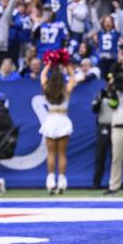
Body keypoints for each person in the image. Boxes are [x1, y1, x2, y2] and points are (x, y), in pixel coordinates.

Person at [39, 50, 76, 194]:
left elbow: (42, 75)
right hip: (62, 120)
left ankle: (50, 180)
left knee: (51, 153)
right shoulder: (66, 89)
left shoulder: (47, 88)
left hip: (51, 119)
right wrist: (66, 64)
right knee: (62, 154)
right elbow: (72, 76)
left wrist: (49, 63)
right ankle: (61, 180)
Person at [90, 74, 116, 189]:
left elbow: (117, 106)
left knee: (115, 157)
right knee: (100, 156)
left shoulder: (117, 95)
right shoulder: (100, 94)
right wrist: (101, 99)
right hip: (103, 126)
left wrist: (112, 96)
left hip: (116, 127)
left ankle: (114, 183)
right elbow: (94, 110)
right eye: (109, 83)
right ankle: (96, 183)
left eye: (112, 83)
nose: (110, 85)